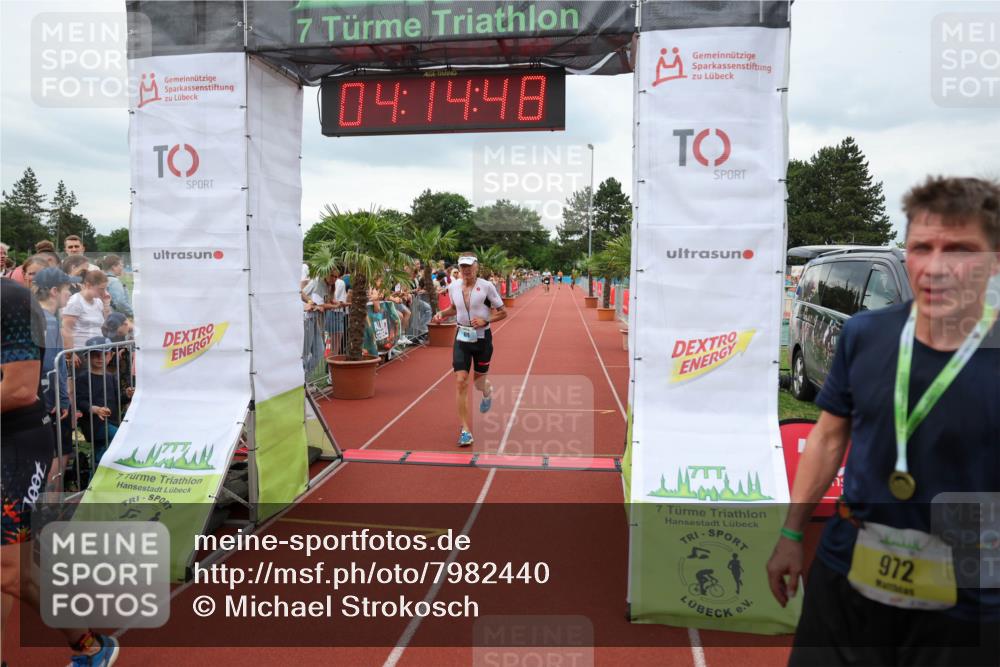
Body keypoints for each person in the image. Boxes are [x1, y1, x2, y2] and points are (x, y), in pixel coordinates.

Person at [767, 176, 1000, 666]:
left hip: (965, 598)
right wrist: (791, 534)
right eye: (921, 248)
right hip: (849, 568)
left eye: (959, 249)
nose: (936, 267)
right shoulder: (864, 334)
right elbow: (829, 438)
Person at [1, 277, 120, 666]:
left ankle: (91, 646)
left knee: (10, 573)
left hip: (15, 444)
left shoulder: (11, 298)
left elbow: (19, 389)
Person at [432, 254, 507, 446]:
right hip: (462, 338)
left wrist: (485, 320)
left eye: (469, 266)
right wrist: (442, 313)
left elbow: (503, 312)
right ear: (459, 267)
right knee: (460, 381)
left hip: (482, 339)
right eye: (463, 266)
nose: (466, 270)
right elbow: (453, 308)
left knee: (479, 383)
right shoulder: (454, 286)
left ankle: (487, 391)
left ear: (476, 267)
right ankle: (465, 429)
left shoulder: (487, 287)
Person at [31, 268, 82, 466]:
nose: (70, 293)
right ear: (54, 291)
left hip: (38, 399)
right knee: (57, 458)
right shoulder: (49, 322)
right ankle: (52, 498)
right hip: (50, 403)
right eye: (67, 288)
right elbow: (49, 367)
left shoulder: (36, 315)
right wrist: (61, 400)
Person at [74, 336, 122, 467]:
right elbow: (80, 401)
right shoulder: (83, 378)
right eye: (95, 355)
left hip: (112, 421)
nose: (100, 358)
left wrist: (128, 395)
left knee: (103, 455)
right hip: (95, 424)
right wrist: (94, 409)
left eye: (104, 354)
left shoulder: (111, 377)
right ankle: (93, 484)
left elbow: (119, 399)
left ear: (110, 356)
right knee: (118, 438)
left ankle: (95, 482)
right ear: (86, 357)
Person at [62, 270, 110, 358]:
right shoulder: (75, 301)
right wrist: (71, 353)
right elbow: (66, 328)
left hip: (98, 350)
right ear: (88, 285)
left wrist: (106, 305)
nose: (104, 292)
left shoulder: (98, 301)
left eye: (105, 288)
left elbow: (104, 324)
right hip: (81, 351)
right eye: (101, 289)